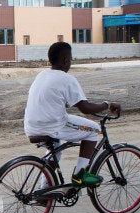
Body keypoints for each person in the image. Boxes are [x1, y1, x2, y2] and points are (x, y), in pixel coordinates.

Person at [23, 42, 121, 187]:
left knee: (55, 151)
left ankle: (46, 189)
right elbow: (85, 108)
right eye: (70, 58)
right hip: (53, 126)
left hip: (31, 126)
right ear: (65, 60)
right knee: (93, 129)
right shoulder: (66, 79)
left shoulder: (42, 75)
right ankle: (80, 176)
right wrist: (106, 105)